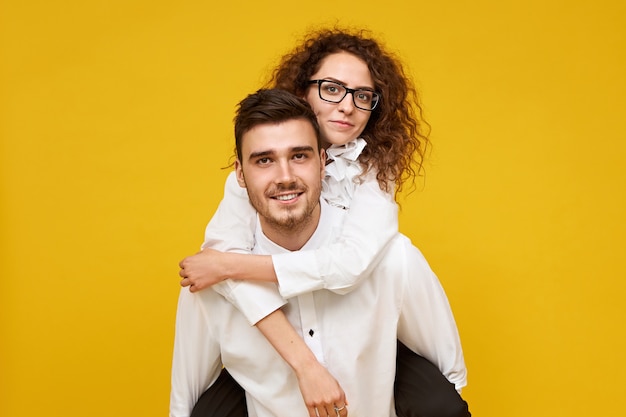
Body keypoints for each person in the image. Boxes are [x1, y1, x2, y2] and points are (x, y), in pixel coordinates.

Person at [178, 28, 470, 416]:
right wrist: (304, 365)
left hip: (366, 340)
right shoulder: (246, 179)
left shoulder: (374, 176)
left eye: (362, 96)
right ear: (301, 94)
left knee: (436, 401)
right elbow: (217, 262)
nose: (347, 106)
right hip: (271, 351)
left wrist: (235, 266)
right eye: (332, 89)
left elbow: (351, 264)